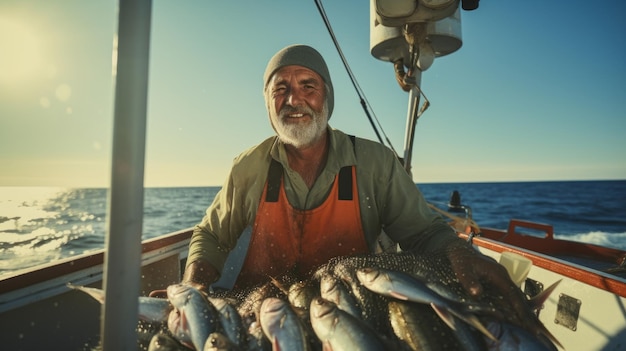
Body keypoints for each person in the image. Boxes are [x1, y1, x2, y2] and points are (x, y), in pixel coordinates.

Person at [166, 44, 533, 328]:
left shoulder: (375, 163)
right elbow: (211, 235)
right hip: (259, 314)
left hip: (352, 316)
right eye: (281, 89)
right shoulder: (248, 167)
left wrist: (461, 253)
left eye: (308, 86)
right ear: (267, 102)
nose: (294, 100)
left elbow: (423, 233)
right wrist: (194, 286)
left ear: (328, 96)